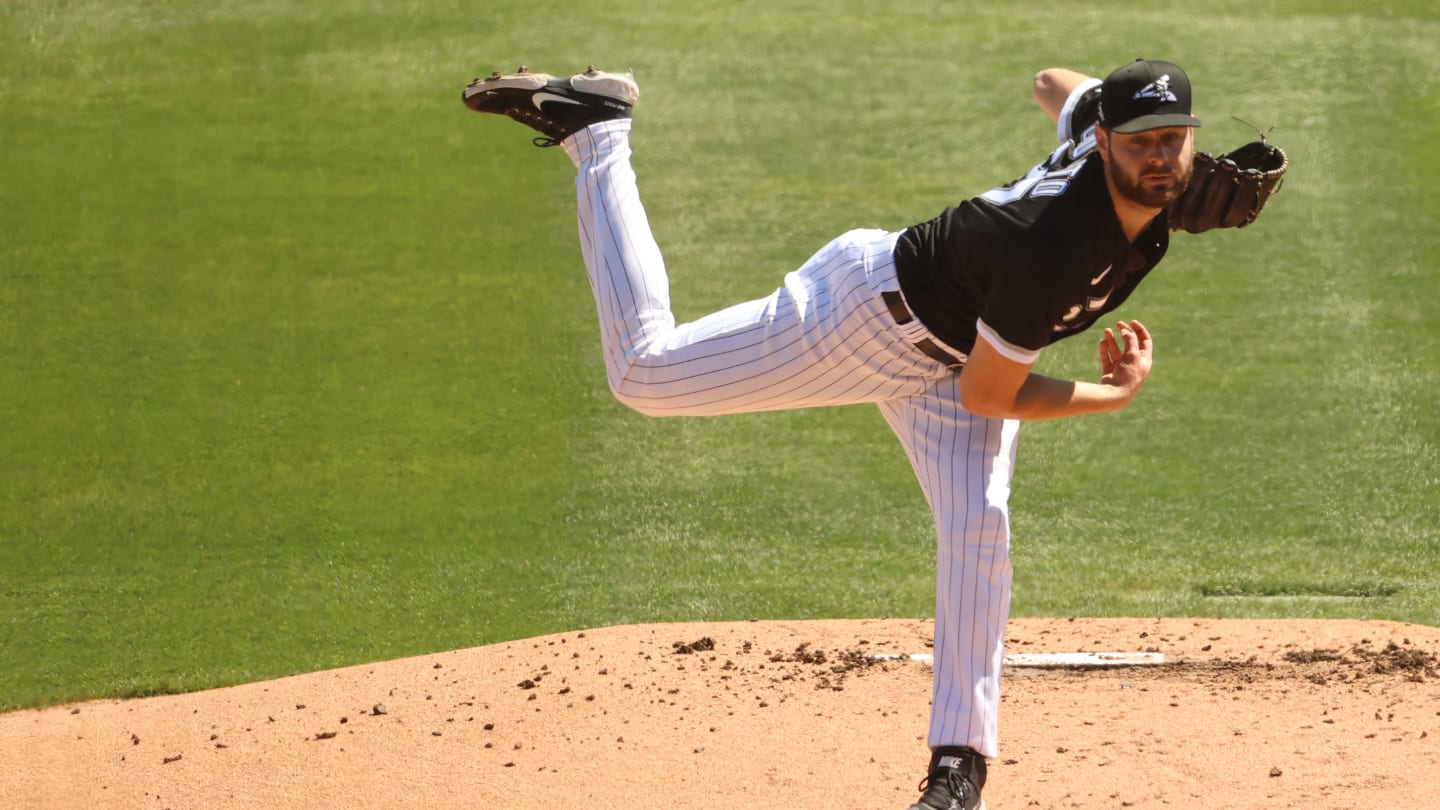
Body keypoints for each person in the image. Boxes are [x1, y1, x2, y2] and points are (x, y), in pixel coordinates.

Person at [463, 58, 1202, 810]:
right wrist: (1107, 397)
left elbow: (1053, 83)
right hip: (867, 322)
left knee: (980, 532)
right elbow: (991, 396)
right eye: (1140, 141)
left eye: (1173, 139)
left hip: (962, 348)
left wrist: (1148, 154)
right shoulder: (1054, 244)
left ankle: (959, 772)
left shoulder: (1115, 152)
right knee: (644, 375)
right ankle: (597, 134)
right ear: (1105, 140)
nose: (1160, 157)